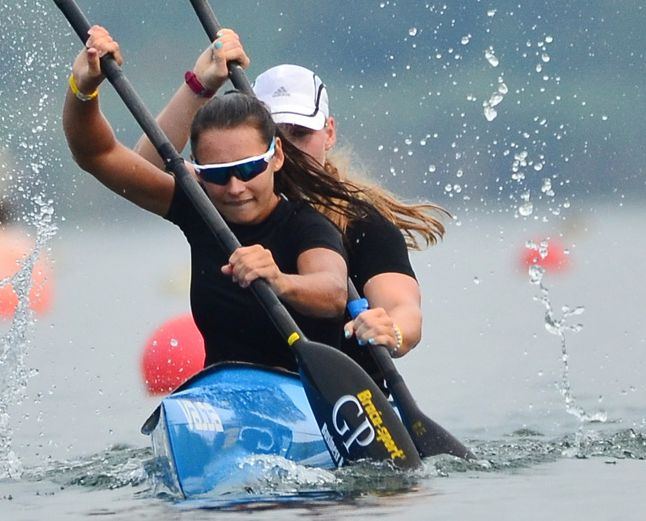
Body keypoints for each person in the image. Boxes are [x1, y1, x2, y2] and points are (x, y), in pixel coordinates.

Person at [137, 33, 446, 377]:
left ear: (328, 133)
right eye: (279, 135)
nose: (292, 148)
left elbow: (404, 309)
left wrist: (394, 330)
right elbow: (142, 172)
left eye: (301, 133)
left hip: (343, 408)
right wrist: (200, 86)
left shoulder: (361, 223)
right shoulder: (227, 193)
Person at [63, 25, 366, 370]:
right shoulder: (201, 206)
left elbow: (331, 292)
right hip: (223, 397)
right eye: (218, 174)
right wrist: (83, 90)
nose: (235, 188)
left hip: (304, 395)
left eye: (249, 169)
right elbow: (97, 155)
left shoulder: (308, 225)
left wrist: (281, 280)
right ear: (196, 169)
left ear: (276, 156)